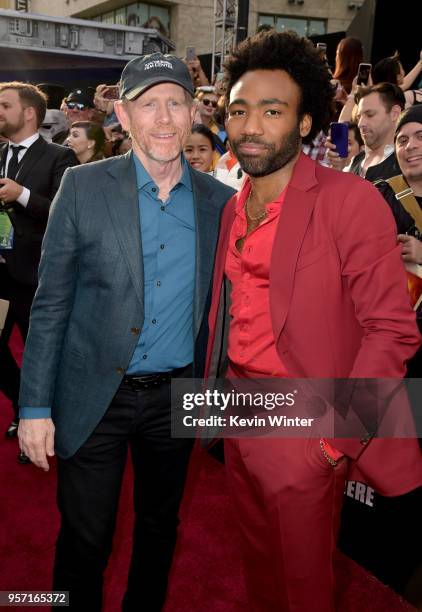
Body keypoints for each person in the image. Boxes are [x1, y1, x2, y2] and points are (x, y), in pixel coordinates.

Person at [204, 30, 422, 612]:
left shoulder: (349, 201)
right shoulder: (231, 206)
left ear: (304, 124)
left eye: (272, 111)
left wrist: (333, 440)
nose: (251, 126)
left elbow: (392, 330)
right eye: (240, 110)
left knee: (304, 589)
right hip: (239, 411)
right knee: (258, 567)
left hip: (306, 417)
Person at [18, 53, 234, 611]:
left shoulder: (222, 204)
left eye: (174, 103)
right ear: (122, 113)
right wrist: (35, 407)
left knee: (161, 528)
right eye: (147, 104)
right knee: (86, 538)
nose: (163, 118)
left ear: (193, 112)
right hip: (94, 393)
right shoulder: (82, 186)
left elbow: (227, 310)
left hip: (177, 397)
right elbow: (50, 304)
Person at [0, 82, 78, 456]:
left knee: (40, 354)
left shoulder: (59, 158)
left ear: (29, 112)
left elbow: (67, 215)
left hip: (37, 278)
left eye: (4, 105)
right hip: (0, 275)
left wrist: (22, 195)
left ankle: (42, 422)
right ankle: (20, 405)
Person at [376, 105, 422, 376]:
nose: (411, 146)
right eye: (402, 140)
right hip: (395, 340)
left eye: (420, 136)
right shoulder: (379, 196)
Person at [328, 83, 405, 181]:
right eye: (359, 117)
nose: (360, 124)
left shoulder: (408, 161)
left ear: (394, 114)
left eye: (370, 115)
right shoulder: (354, 162)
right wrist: (337, 168)